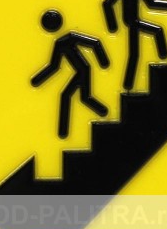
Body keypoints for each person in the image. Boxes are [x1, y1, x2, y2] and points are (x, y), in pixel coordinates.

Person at [31, 10, 109, 138]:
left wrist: (104, 61)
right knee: (83, 98)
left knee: (67, 96)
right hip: (83, 70)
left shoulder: (68, 38)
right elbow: (54, 66)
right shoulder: (61, 42)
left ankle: (64, 131)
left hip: (83, 70)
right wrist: (38, 79)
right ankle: (102, 111)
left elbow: (95, 43)